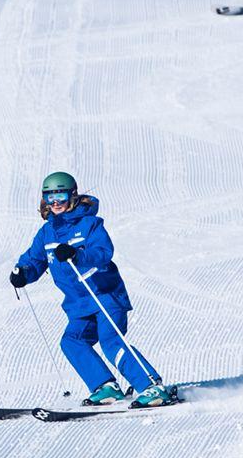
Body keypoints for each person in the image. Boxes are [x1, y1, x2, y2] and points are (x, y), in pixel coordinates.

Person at [9, 172, 172, 407]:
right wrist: (23, 273)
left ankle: (152, 387)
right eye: (50, 198)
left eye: (61, 196)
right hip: (79, 304)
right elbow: (34, 260)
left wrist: (77, 254)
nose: (55, 203)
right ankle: (105, 386)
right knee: (72, 341)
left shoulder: (90, 224)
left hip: (105, 296)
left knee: (110, 341)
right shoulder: (46, 233)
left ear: (72, 195)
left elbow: (103, 253)